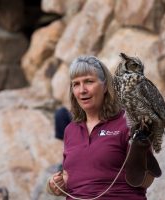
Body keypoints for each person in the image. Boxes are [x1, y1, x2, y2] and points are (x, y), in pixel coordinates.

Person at [46, 55, 156, 199]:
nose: (82, 90)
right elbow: (71, 177)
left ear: (105, 86)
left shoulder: (129, 122)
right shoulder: (70, 130)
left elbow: (147, 180)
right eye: (76, 84)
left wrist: (141, 155)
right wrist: (56, 184)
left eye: (89, 81)